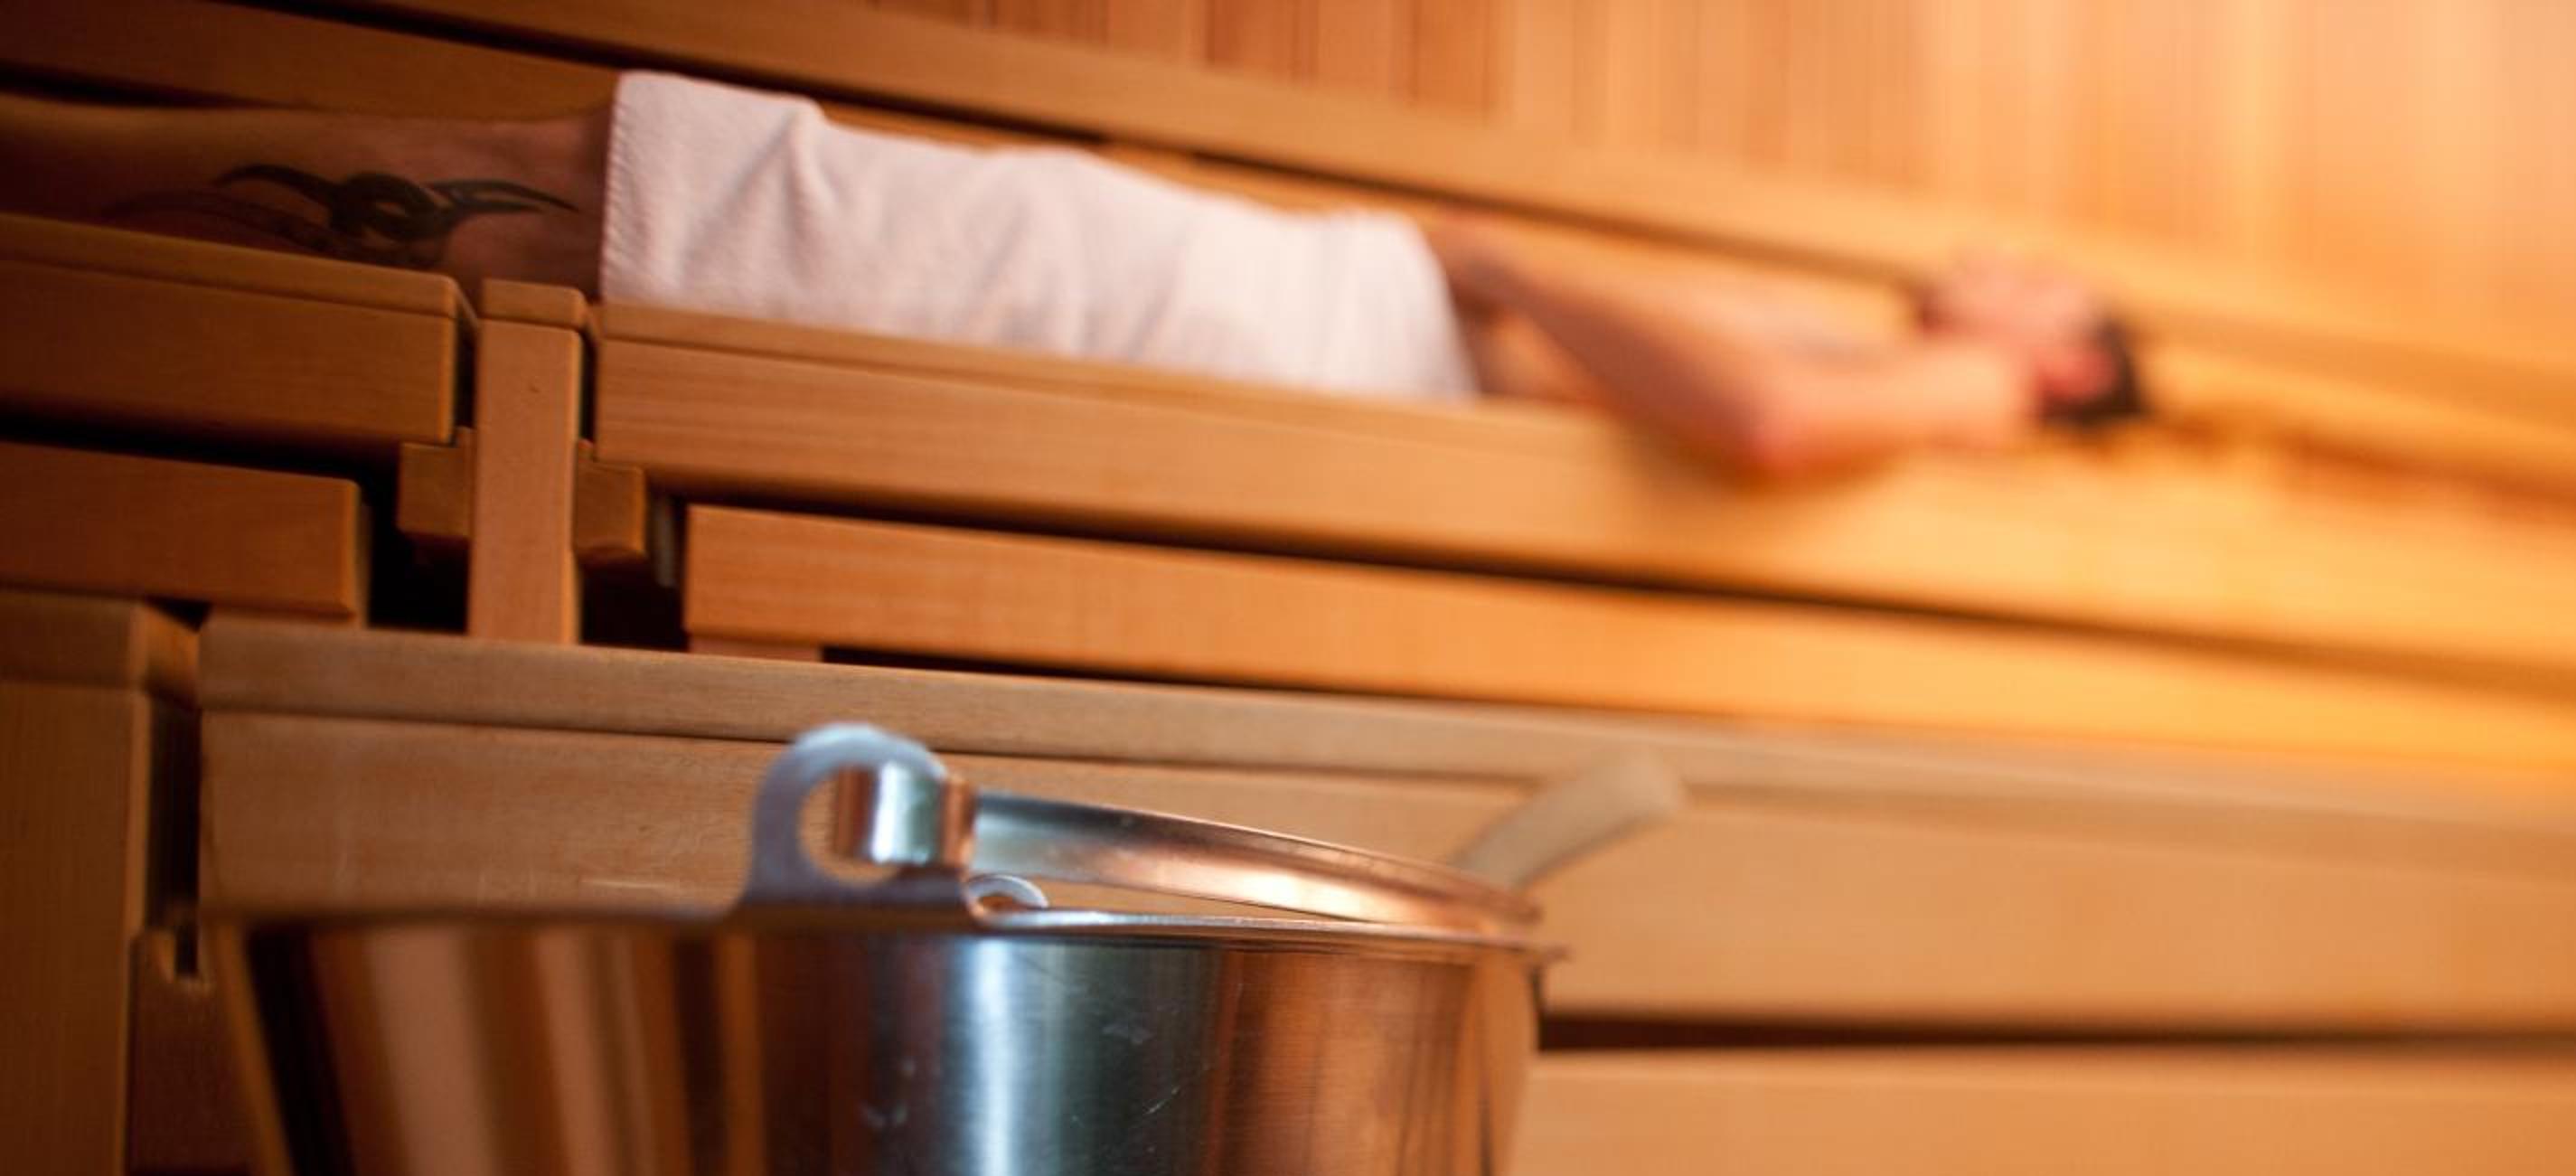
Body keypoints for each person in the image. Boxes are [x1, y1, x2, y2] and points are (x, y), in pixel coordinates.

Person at [0, 70, 2145, 479]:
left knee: (657, 200)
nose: (1994, 262)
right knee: (630, 186)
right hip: (1265, 312)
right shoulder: (1921, 369)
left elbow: (1762, 421)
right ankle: (59, 169)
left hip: (1270, 335)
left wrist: (1481, 246)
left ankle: (52, 176)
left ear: (2061, 366)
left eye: (2035, 279)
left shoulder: (1957, 399)